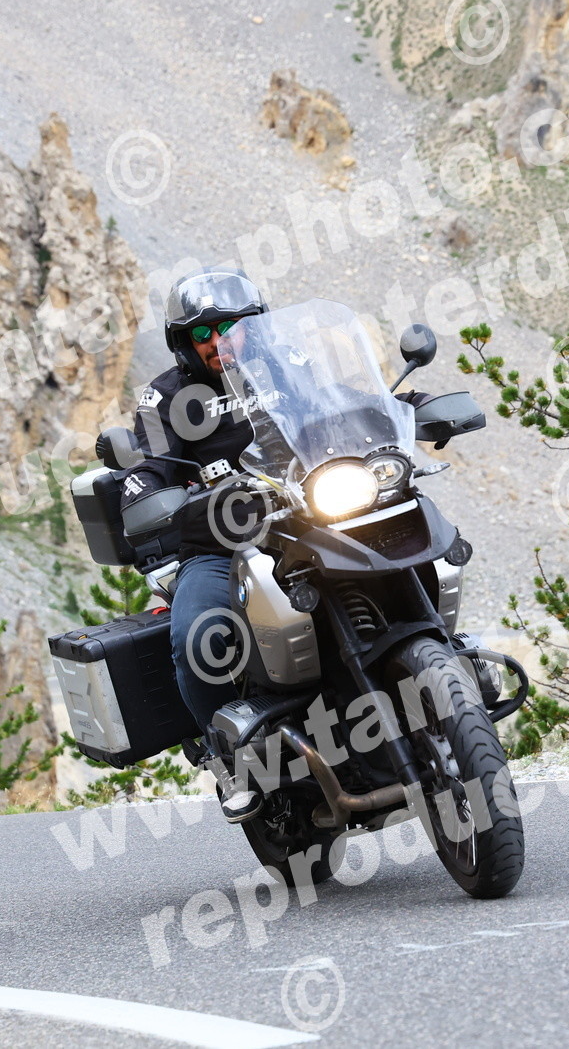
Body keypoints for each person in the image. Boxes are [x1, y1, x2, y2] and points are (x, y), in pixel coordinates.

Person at [120, 267, 426, 822]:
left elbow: (345, 404)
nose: (217, 341)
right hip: (223, 544)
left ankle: (437, 671)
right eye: (201, 333)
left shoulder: (287, 363)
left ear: (254, 325)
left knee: (407, 549)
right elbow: (147, 466)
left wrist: (406, 407)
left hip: (309, 518)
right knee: (199, 634)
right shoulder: (164, 397)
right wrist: (143, 492)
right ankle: (229, 764)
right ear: (182, 343)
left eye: (231, 327)